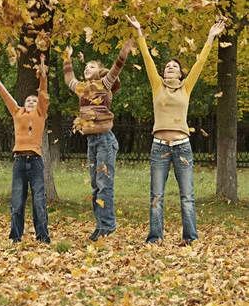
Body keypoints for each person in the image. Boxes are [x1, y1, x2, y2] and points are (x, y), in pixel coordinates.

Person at [127, 15, 225, 244]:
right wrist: (139, 31)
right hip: (159, 148)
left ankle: (190, 238)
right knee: (156, 196)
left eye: (174, 67)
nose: (169, 68)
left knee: (187, 197)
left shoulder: (186, 87)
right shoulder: (156, 85)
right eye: (167, 66)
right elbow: (147, 58)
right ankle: (155, 238)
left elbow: (200, 63)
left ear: (180, 73)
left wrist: (211, 37)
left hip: (182, 148)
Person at [63, 39, 133, 241]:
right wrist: (67, 57)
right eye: (85, 66)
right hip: (91, 141)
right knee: (95, 185)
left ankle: (108, 225)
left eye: (91, 66)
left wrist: (124, 50)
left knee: (104, 183)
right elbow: (69, 78)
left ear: (100, 71)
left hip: (105, 140)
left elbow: (116, 68)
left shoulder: (105, 83)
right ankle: (100, 225)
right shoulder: (82, 89)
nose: (86, 68)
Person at [0, 55, 50, 244]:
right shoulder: (17, 112)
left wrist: (43, 76)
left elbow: (43, 94)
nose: (31, 102)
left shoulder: (41, 113)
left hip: (35, 162)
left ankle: (42, 237)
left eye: (34, 101)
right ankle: (16, 237)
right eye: (28, 100)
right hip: (19, 161)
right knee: (17, 201)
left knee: (38, 201)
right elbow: (6, 96)